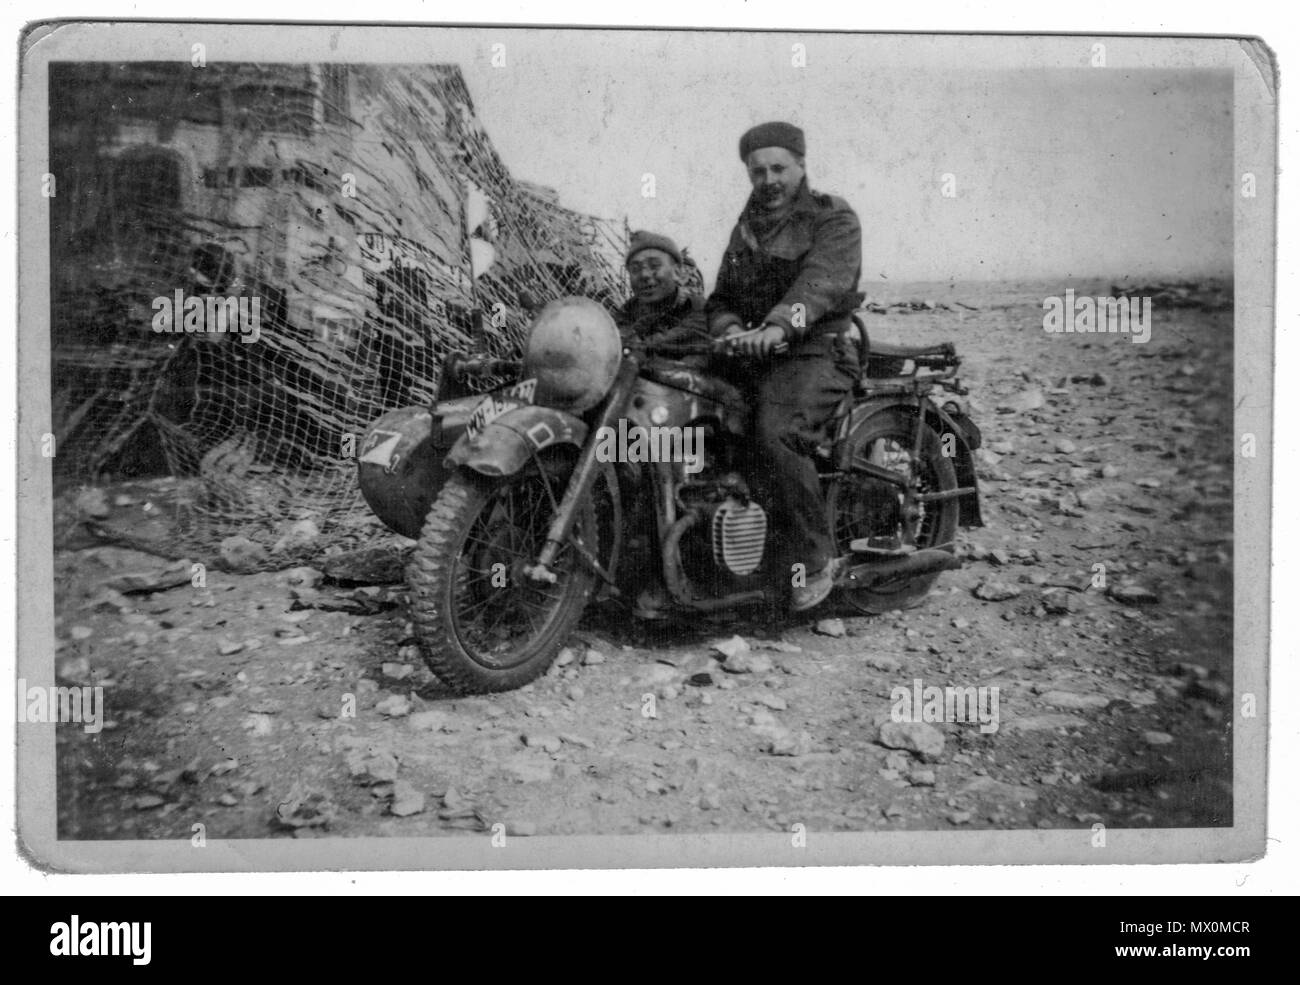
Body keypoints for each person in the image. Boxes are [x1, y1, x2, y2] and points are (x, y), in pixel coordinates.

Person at [706, 121, 865, 612]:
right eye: (758, 171)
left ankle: (814, 559)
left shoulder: (832, 218)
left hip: (819, 348)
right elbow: (721, 298)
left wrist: (778, 326)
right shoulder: (746, 228)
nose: (769, 179)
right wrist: (730, 328)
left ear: (801, 167)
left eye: (779, 168)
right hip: (759, 350)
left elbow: (821, 285)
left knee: (775, 432)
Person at [614, 230, 714, 368]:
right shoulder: (626, 312)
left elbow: (692, 334)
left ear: (677, 272)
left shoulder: (697, 306)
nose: (644, 274)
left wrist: (640, 346)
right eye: (635, 269)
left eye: (654, 266)